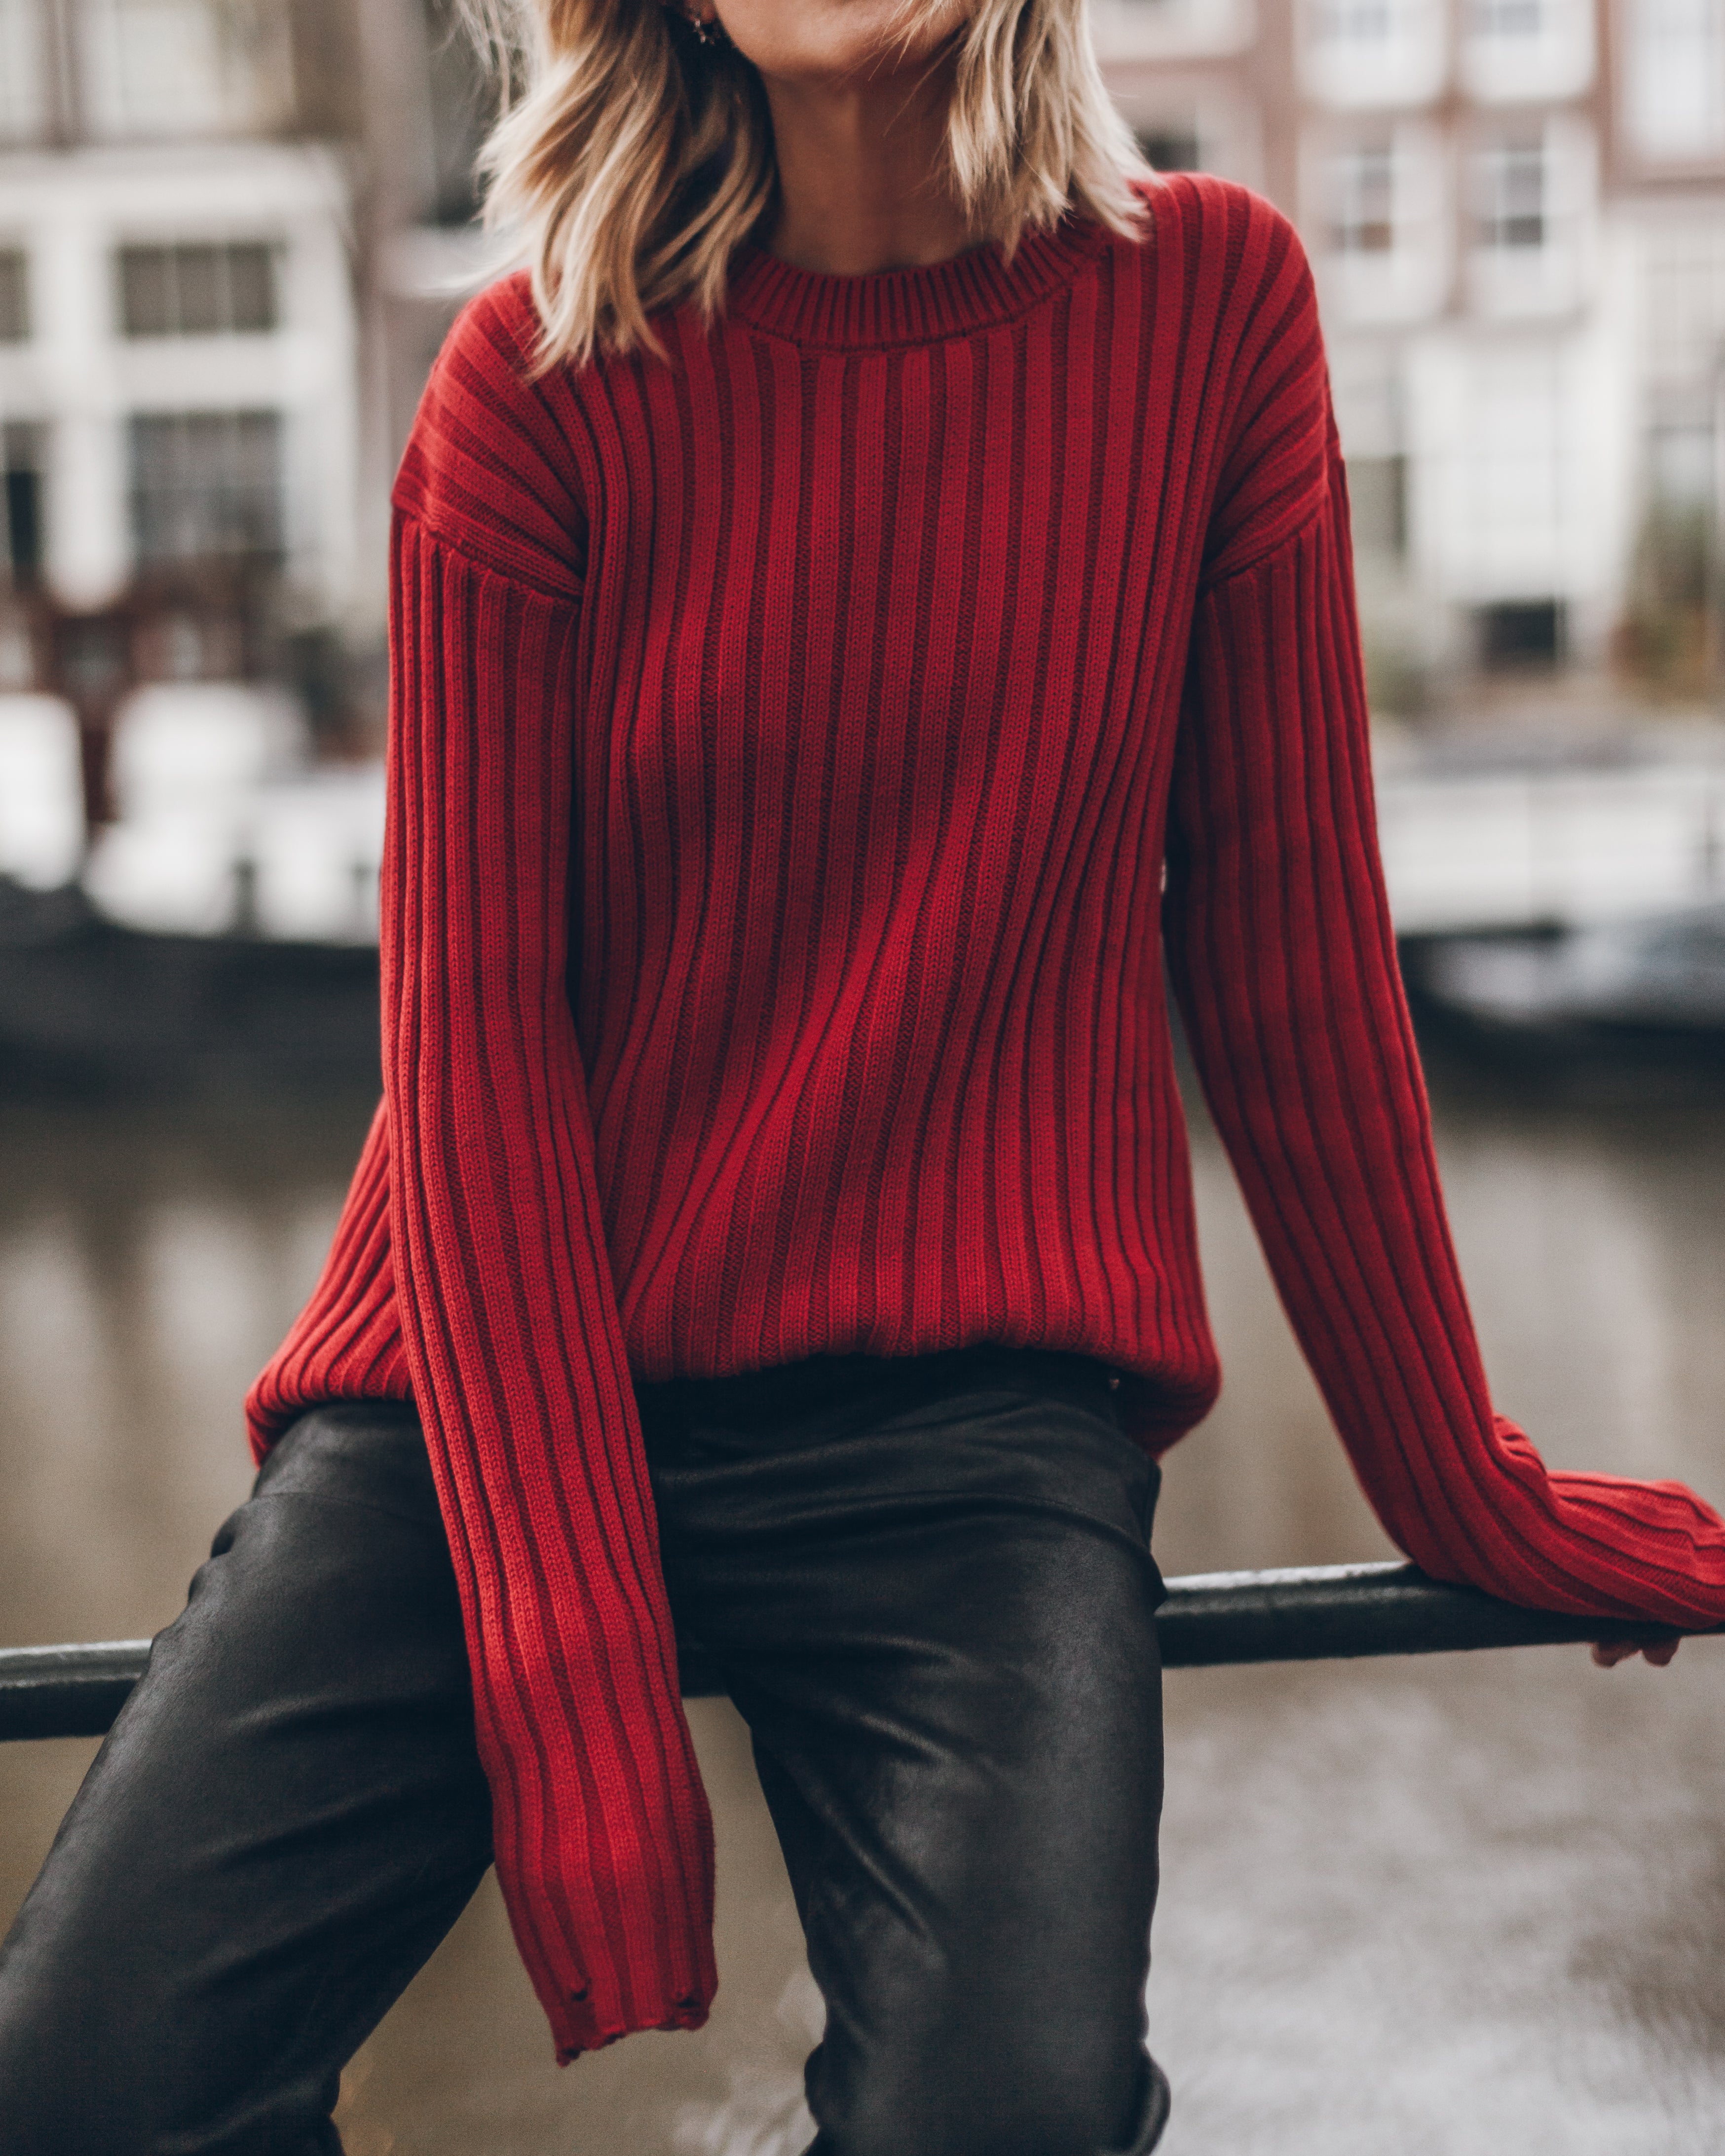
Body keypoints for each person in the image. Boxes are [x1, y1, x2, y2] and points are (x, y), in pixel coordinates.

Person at [1, 2, 1720, 2150]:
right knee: (81, 2086)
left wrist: (1458, 1486)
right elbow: (473, 1060)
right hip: (490, 1393)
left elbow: (1292, 977)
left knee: (1005, 2118)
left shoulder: (1212, 309)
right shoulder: (529, 388)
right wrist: (579, 1672)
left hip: (968, 1428)